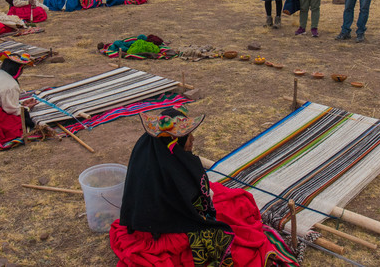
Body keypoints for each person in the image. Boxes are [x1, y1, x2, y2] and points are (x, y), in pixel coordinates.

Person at [110, 108, 299, 267]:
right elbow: (196, 211)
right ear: (173, 142)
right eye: (187, 136)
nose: (192, 139)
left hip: (146, 222)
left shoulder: (151, 150)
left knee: (237, 201)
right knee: (229, 229)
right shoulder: (174, 171)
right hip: (168, 229)